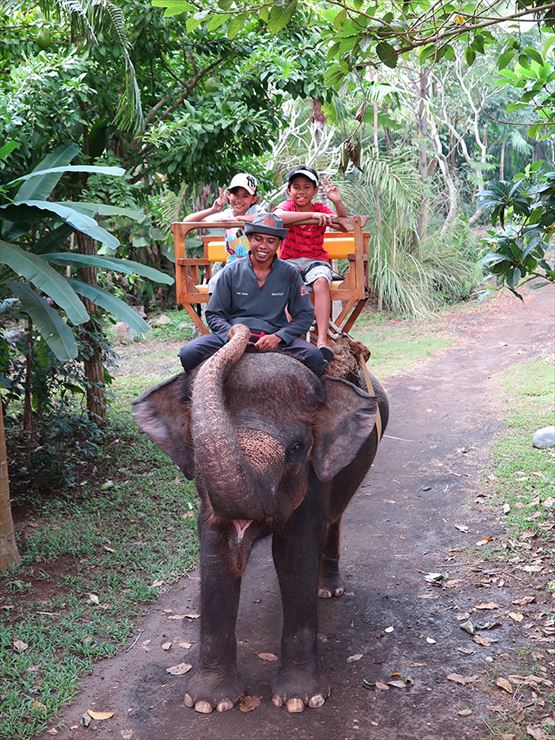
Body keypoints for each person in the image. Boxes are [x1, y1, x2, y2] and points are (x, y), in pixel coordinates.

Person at [178, 212, 327, 377]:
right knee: (188, 353)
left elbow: (304, 315)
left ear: (279, 243)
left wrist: (278, 337)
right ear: (249, 239)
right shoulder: (231, 271)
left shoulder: (290, 273)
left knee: (315, 358)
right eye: (258, 239)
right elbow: (214, 314)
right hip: (234, 335)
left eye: (271, 241)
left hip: (273, 334)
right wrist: (232, 334)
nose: (263, 246)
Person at [274, 165, 349, 361]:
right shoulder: (288, 207)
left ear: (315, 191)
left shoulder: (321, 209)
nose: (301, 191)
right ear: (289, 191)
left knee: (321, 282)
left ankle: (322, 340)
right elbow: (278, 217)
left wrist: (338, 203)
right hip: (289, 261)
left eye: (307, 187)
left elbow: (344, 225)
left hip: (315, 261)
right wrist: (313, 217)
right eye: (296, 187)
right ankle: (291, 338)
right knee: (286, 283)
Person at [184, 173, 263, 292]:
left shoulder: (255, 211)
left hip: (256, 268)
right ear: (228, 195)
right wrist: (213, 210)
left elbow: (265, 217)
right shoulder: (227, 214)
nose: (239, 200)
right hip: (232, 268)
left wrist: (237, 220)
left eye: (245, 196)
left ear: (253, 199)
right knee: (215, 283)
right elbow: (187, 222)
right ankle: (212, 310)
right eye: (235, 195)